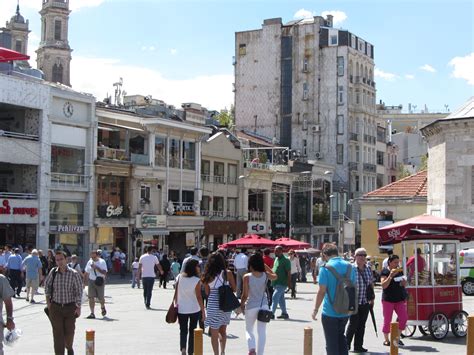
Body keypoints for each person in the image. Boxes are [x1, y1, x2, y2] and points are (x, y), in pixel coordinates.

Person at [312, 243, 356, 355]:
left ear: (325, 254)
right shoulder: (350, 266)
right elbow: (353, 287)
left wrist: (315, 309)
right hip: (345, 310)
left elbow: (322, 291)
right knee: (341, 338)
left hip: (330, 311)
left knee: (331, 343)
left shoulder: (325, 268)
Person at [44, 250, 83, 355]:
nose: (59, 262)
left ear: (66, 260)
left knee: (69, 333)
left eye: (61, 259)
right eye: (57, 260)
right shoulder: (53, 272)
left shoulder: (74, 274)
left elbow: (79, 292)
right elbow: (46, 286)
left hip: (70, 308)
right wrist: (48, 302)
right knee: (57, 335)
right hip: (55, 308)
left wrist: (78, 307)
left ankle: (69, 347)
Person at [240, 253, 277, 355]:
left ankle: (252, 349)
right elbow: (275, 276)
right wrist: (266, 266)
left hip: (251, 306)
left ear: (250, 264)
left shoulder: (247, 277)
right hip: (263, 305)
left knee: (249, 330)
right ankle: (260, 353)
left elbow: (245, 294)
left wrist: (242, 305)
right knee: (261, 331)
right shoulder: (265, 275)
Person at [202, 252, 236, 355]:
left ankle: (216, 353)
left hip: (213, 305)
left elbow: (207, 292)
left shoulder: (207, 275)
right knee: (223, 331)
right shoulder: (227, 273)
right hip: (225, 305)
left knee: (214, 333)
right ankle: (223, 352)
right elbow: (234, 289)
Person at [346, 248, 374, 353]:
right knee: (353, 324)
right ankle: (346, 344)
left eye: (364, 255)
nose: (362, 257)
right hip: (354, 301)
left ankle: (358, 346)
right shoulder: (351, 268)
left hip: (365, 301)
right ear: (355, 256)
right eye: (360, 255)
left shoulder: (368, 268)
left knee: (362, 325)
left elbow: (370, 283)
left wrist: (372, 298)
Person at [175, 259, 206, 355]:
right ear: (194, 268)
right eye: (197, 266)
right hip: (194, 309)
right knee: (192, 330)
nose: (199, 268)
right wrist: (203, 311)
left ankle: (183, 349)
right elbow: (199, 296)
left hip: (182, 309)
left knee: (183, 330)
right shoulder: (196, 280)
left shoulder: (179, 277)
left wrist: (176, 306)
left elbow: (176, 293)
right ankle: (190, 351)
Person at [380, 254, 408, 347]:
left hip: (399, 299)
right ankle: (386, 340)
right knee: (387, 320)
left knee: (403, 318)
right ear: (389, 263)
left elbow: (402, 284)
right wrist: (391, 276)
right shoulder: (385, 271)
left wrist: (404, 283)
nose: (397, 264)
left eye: (398, 262)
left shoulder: (399, 271)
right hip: (388, 299)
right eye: (395, 262)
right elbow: (384, 285)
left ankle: (396, 338)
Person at [84, 250, 108, 319]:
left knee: (101, 298)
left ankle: (102, 307)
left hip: (100, 281)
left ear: (97, 255)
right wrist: (84, 281)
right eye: (91, 256)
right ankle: (92, 313)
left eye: (94, 256)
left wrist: (96, 267)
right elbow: (86, 272)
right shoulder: (89, 262)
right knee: (91, 297)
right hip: (91, 281)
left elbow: (104, 272)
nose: (92, 257)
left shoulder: (102, 262)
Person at [271, 245, 291, 319]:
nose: (275, 252)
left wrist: (289, 283)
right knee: (281, 299)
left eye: (277, 251)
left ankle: (271, 313)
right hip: (276, 282)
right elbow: (274, 269)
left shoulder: (286, 260)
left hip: (282, 283)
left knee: (275, 297)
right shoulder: (276, 259)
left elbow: (289, 272)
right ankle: (284, 313)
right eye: (275, 250)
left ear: (281, 251)